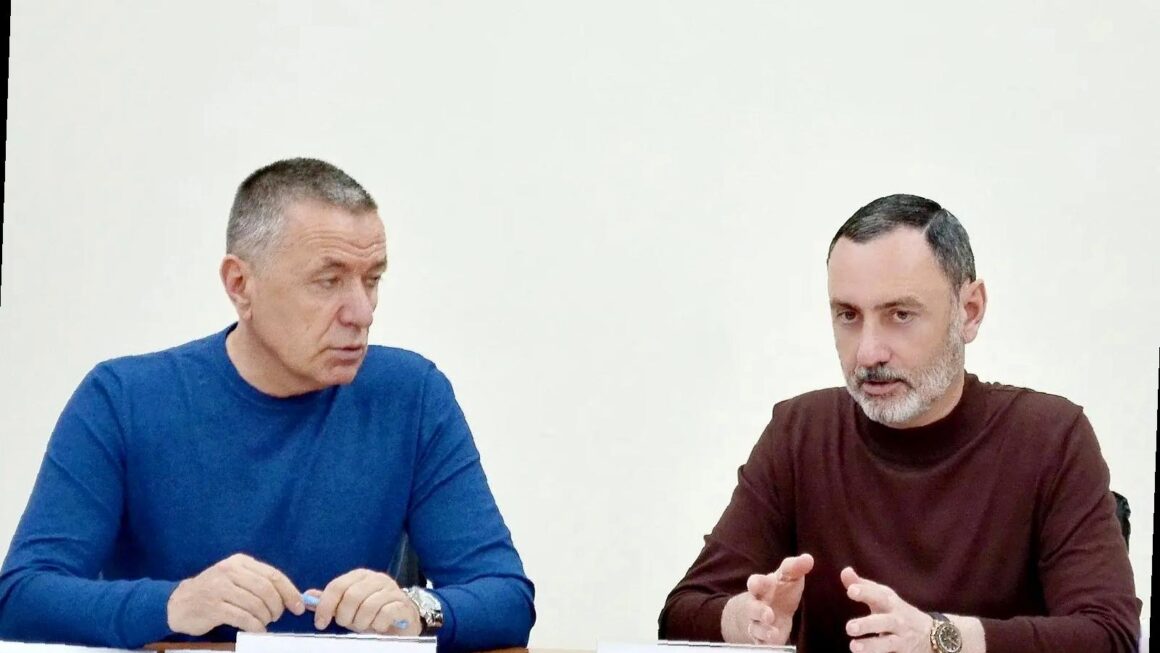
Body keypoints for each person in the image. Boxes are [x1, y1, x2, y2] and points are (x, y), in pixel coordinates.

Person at [0, 158, 535, 652]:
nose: (362, 311)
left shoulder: (411, 395)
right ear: (240, 285)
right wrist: (174, 604)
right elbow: (21, 597)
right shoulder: (122, 399)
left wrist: (420, 611)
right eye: (328, 281)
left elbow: (506, 596)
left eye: (372, 280)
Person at [658, 194, 1140, 653]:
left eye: (900, 314)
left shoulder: (1051, 437)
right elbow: (680, 612)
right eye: (848, 315)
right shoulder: (800, 432)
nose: (868, 352)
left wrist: (941, 638)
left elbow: (1109, 635)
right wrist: (748, 621)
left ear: (969, 311)